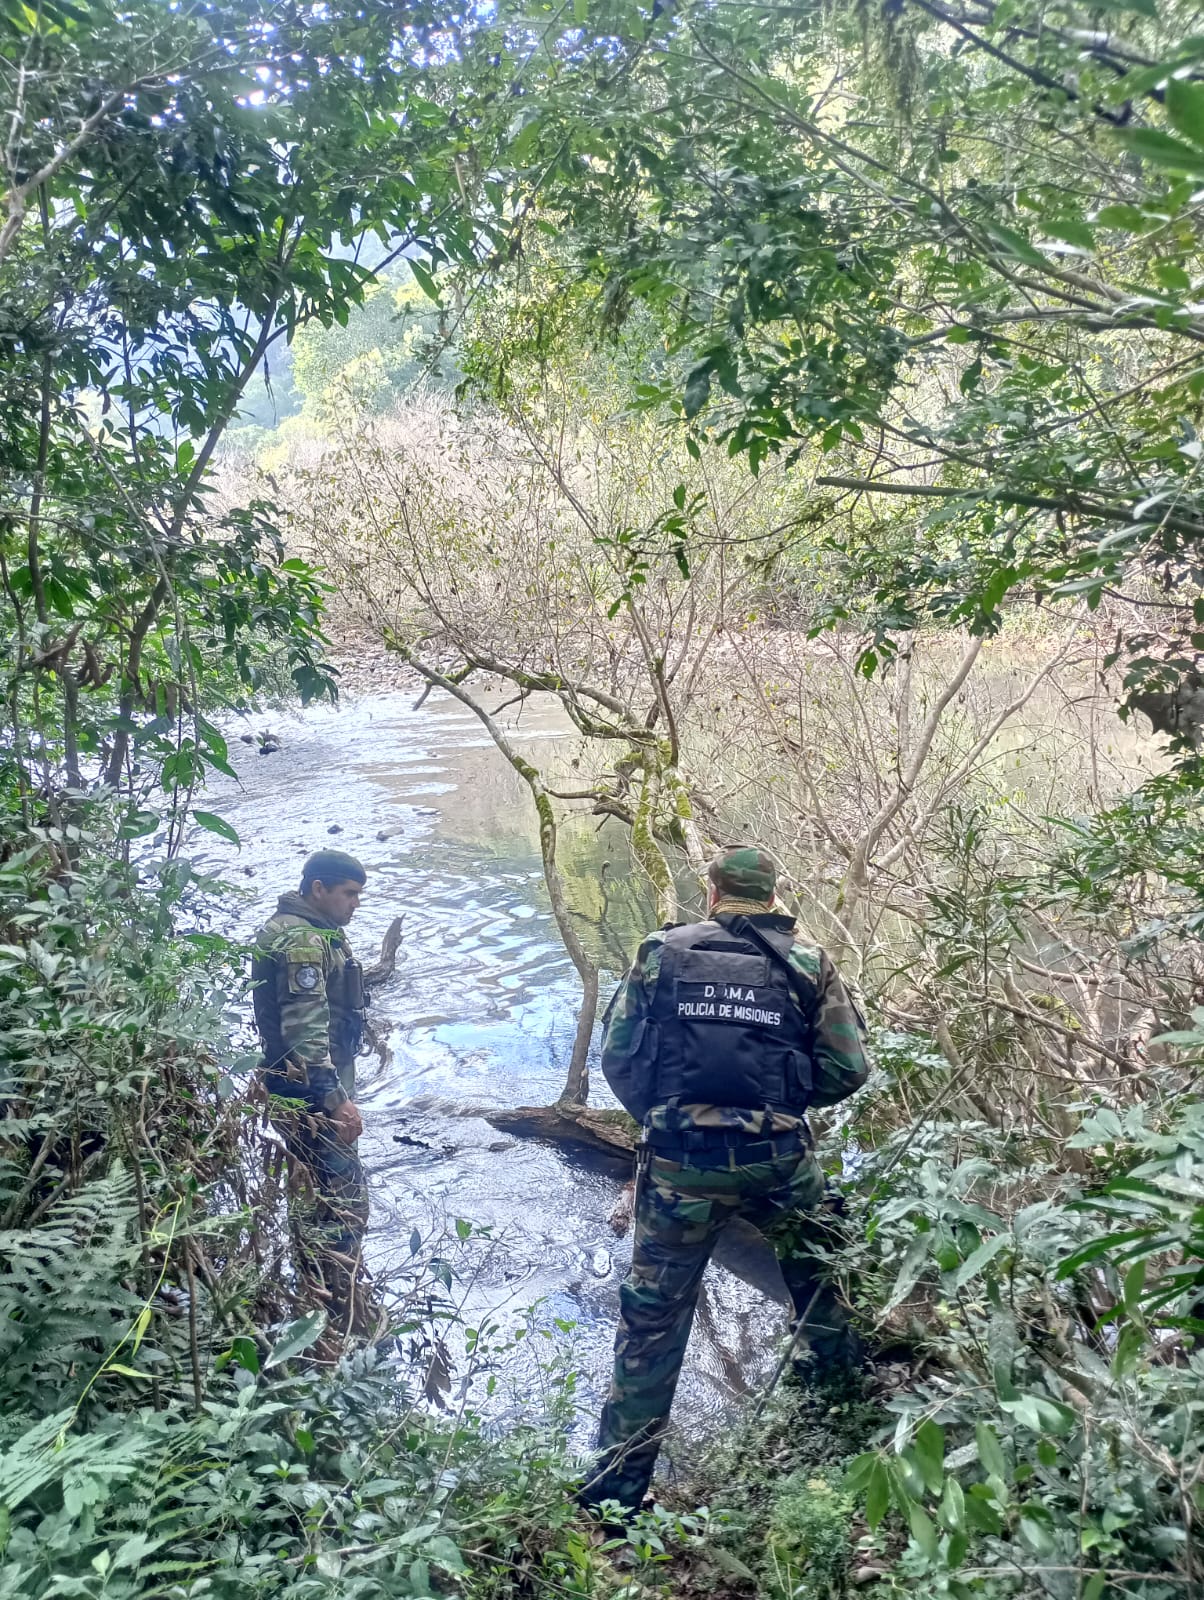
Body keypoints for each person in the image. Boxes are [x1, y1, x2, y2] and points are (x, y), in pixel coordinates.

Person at [581, 846, 870, 1516]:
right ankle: (848, 1442)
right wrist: (784, 1109)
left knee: (652, 1325)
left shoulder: (661, 954)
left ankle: (614, 1501)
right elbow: (848, 1069)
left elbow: (619, 1058)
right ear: (773, 896)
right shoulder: (805, 961)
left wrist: (664, 1120)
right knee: (824, 1288)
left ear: (711, 892)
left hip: (681, 1167)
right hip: (780, 1163)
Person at [251, 849, 372, 1333]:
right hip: (311, 1094)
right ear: (317, 889)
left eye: (358, 895)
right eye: (348, 893)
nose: (355, 903)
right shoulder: (302, 940)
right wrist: (335, 1099)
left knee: (313, 1194)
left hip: (295, 1089)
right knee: (343, 1201)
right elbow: (304, 1034)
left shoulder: (299, 929)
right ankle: (340, 1308)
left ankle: (317, 1293)